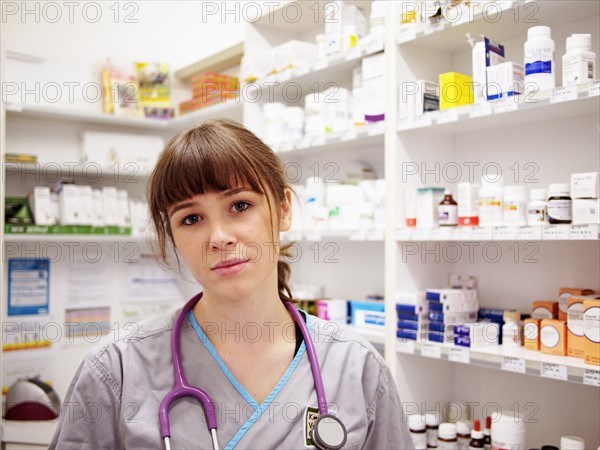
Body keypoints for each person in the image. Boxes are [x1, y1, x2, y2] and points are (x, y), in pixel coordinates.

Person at [49, 119, 414, 449]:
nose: (219, 237)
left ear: (283, 208)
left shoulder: (357, 368)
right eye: (191, 218)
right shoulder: (117, 369)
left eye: (240, 206)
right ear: (172, 236)